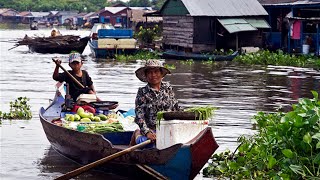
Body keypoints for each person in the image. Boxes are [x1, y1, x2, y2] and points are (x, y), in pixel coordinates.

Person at [130, 59, 180, 147]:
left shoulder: (168, 88)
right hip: (152, 131)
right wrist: (147, 132)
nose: (153, 75)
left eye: (156, 71)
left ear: (161, 74)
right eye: (149, 72)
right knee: (154, 145)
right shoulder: (142, 92)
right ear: (146, 75)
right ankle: (137, 134)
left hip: (168, 128)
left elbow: (176, 108)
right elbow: (139, 116)